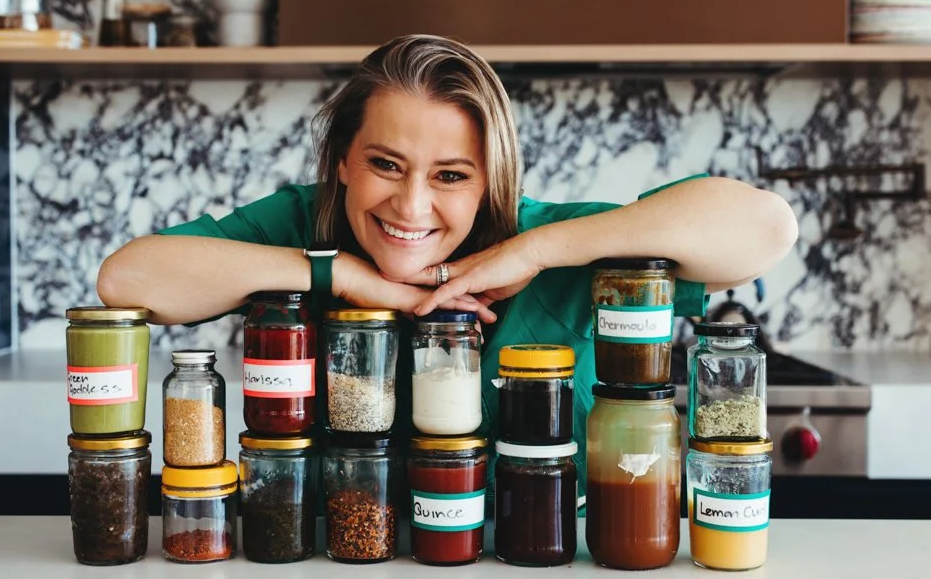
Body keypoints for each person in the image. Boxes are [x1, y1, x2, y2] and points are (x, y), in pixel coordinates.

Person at [97, 34, 798, 483]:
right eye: (385, 164)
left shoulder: (561, 243)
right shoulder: (305, 225)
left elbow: (767, 228)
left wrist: (537, 250)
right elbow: (126, 279)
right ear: (342, 160)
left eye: (451, 176)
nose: (411, 206)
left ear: (491, 181)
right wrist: (338, 273)